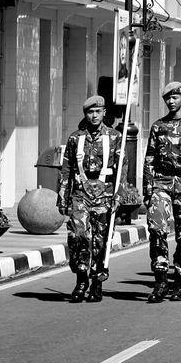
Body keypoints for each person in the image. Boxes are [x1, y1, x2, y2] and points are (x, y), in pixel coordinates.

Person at [59, 95, 123, 303]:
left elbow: (123, 169)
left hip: (104, 195)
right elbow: (67, 169)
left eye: (98, 111)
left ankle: (97, 282)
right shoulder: (75, 138)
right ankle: (81, 279)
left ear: (104, 112)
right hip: (80, 193)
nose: (94, 116)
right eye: (90, 112)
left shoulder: (115, 137)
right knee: (79, 237)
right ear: (85, 114)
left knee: (100, 240)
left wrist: (119, 195)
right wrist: (63, 198)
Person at [143, 82, 181, 303]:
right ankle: (160, 280)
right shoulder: (159, 126)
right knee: (157, 229)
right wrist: (148, 189)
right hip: (162, 182)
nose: (171, 101)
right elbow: (149, 159)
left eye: (176, 97)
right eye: (168, 98)